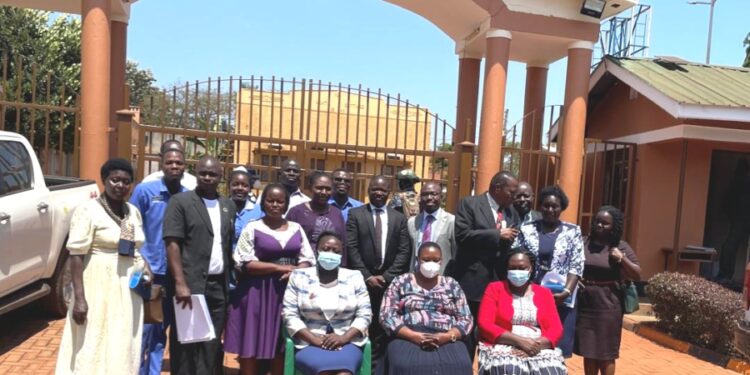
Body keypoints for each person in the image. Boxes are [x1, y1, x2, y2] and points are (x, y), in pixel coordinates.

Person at [56, 158, 151, 374]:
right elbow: (76, 256)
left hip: (127, 286)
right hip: (96, 283)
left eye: (126, 182)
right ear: (104, 180)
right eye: (115, 180)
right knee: (93, 338)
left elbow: (134, 248)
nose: (120, 186)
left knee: (123, 337)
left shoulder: (131, 212)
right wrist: (79, 297)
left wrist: (145, 266)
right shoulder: (88, 211)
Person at [225, 183, 316, 375]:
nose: (275, 205)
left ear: (286, 204)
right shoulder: (253, 227)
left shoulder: (296, 228)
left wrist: (296, 270)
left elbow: (308, 259)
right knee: (251, 340)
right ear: (263, 203)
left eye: (279, 201)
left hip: (287, 292)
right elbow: (243, 262)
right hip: (257, 292)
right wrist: (279, 267)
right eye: (270, 200)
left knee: (280, 342)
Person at [163, 156, 236, 375]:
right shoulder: (181, 202)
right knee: (186, 343)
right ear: (196, 174)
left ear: (220, 177)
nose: (207, 177)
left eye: (212, 174)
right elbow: (172, 243)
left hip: (218, 286)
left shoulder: (228, 205)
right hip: (190, 285)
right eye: (202, 173)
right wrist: (180, 283)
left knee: (211, 344)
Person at [130, 148, 189, 375]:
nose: (174, 166)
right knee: (147, 329)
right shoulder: (145, 191)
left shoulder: (187, 197)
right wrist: (142, 262)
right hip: (150, 274)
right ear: (161, 165)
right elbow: (131, 227)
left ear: (185, 166)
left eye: (179, 162)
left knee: (168, 330)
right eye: (170, 162)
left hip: (177, 276)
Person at [282, 232, 372, 375]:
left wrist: (344, 338)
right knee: (324, 372)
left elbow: (365, 314)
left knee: (344, 373)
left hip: (347, 343)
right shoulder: (299, 276)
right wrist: (314, 339)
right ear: (317, 250)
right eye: (326, 249)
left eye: (336, 251)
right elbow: (289, 315)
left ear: (342, 254)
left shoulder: (354, 277)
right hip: (309, 343)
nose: (330, 254)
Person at [379, 242, 473, 375]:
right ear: (417, 260)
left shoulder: (451, 284)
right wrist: (413, 336)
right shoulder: (401, 282)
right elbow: (386, 315)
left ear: (441, 261)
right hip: (407, 334)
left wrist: (447, 336)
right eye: (426, 260)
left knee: (461, 364)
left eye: (436, 260)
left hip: (446, 335)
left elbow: (466, 318)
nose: (431, 264)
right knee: (404, 365)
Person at [513, 185, 584, 358]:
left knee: (557, 348)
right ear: (540, 206)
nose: (550, 209)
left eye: (555, 206)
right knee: (529, 344)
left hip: (561, 298)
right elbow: (515, 257)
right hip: (530, 296)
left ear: (562, 208)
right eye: (546, 205)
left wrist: (566, 292)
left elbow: (576, 265)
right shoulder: (527, 229)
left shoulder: (573, 231)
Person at [346, 175, 412, 361]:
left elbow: (404, 250)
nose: (378, 193)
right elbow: (351, 247)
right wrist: (367, 275)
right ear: (368, 190)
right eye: (375, 189)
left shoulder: (399, 218)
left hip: (388, 284)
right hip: (362, 282)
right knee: (360, 326)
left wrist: (387, 276)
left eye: (383, 190)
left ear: (389, 193)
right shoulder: (356, 214)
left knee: (384, 329)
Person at [477, 249, 566, 375]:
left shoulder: (544, 293)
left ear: (531, 269)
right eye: (512, 268)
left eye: (522, 268)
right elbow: (484, 323)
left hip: (538, 344)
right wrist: (520, 341)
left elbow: (556, 328)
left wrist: (534, 346)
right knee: (508, 370)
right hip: (504, 342)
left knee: (551, 371)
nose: (517, 271)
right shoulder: (495, 288)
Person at [576, 206, 641, 375]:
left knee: (605, 353)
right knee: (589, 352)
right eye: (597, 221)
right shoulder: (583, 242)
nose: (600, 225)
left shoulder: (620, 246)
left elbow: (637, 274)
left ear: (614, 226)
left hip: (608, 303)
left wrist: (622, 259)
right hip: (586, 303)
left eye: (605, 223)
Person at [452, 171, 520, 319]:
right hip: (472, 280)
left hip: (498, 281)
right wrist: (497, 234)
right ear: (497, 188)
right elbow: (462, 235)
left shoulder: (511, 212)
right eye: (512, 192)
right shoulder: (470, 204)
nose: (515, 197)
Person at [287, 171, 346, 259]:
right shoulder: (296, 212)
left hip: (332, 267)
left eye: (328, 189)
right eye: (319, 188)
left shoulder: (337, 213)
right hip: (304, 266)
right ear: (310, 188)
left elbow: (343, 243)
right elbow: (288, 243)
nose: (323, 192)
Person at [407, 181, 457, 275]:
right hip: (415, 278)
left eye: (433, 194)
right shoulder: (412, 222)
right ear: (420, 198)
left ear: (441, 197)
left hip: (441, 278)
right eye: (425, 194)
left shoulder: (452, 221)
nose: (429, 198)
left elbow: (455, 253)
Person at [717, 158, 750, 281]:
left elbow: (727, 201)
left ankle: (725, 274)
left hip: (740, 219)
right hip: (740, 219)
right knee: (730, 246)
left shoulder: (739, 182)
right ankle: (725, 274)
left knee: (730, 246)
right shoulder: (742, 182)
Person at [230, 166, 263, 249]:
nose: (240, 188)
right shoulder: (220, 209)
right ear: (229, 185)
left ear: (249, 188)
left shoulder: (259, 212)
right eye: (235, 184)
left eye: (245, 185)